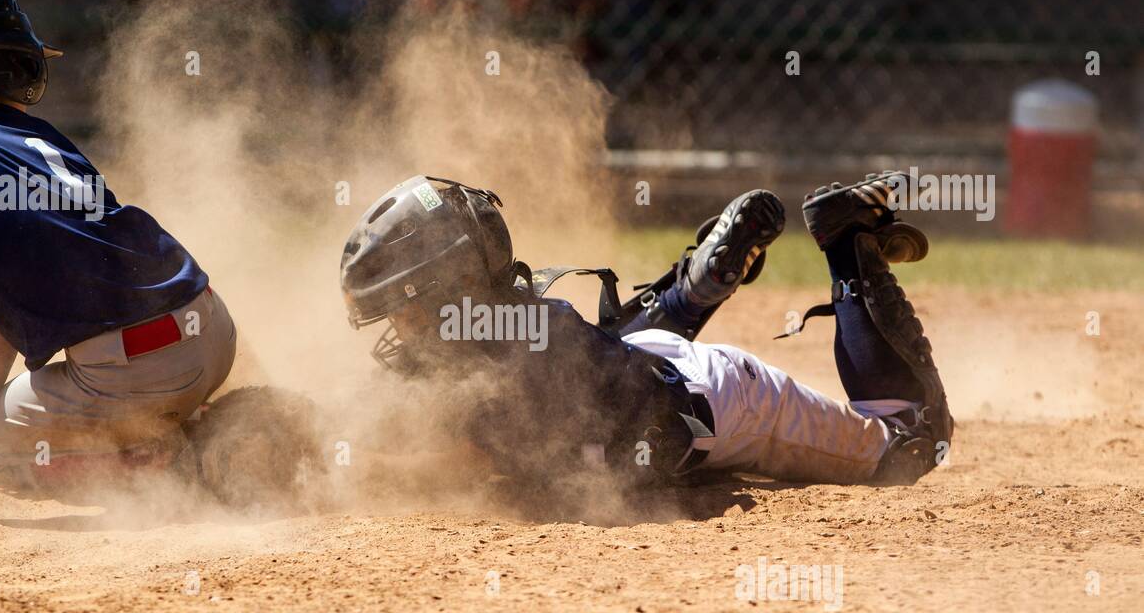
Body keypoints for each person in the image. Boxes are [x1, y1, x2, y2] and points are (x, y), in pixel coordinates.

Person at [0, 0, 236, 519]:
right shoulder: (43, 139)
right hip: (213, 333)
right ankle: (208, 426)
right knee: (6, 421)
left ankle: (169, 465)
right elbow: (10, 316)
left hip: (136, 371)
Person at [338, 173, 951, 488]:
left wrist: (364, 469)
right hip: (635, 367)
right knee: (609, 373)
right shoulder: (493, 326)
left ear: (450, 288)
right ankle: (690, 291)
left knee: (911, 446)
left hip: (727, 399)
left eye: (407, 307)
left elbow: (463, 462)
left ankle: (845, 239)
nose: (399, 326)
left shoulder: (522, 361)